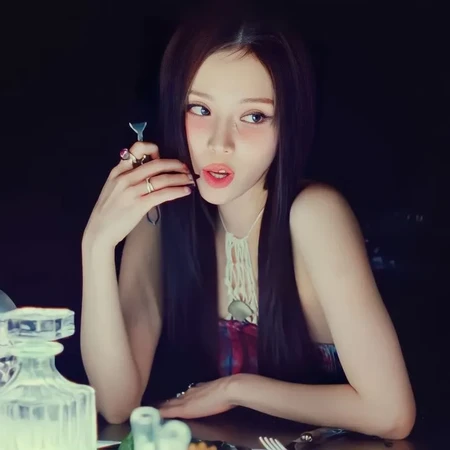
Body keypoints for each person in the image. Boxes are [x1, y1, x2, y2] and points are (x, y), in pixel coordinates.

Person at [80, 9, 416, 440]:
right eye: (200, 108)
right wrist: (97, 245)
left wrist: (237, 390)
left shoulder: (313, 215)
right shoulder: (163, 213)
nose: (220, 142)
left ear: (287, 123)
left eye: (254, 116)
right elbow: (115, 402)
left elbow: (390, 413)